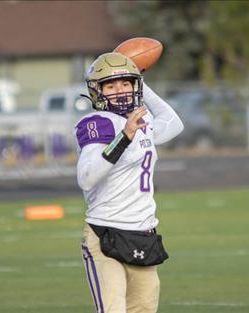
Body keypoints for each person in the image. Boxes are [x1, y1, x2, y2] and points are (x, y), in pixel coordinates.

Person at [74, 52, 184, 313]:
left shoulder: (141, 122)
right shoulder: (96, 123)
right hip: (106, 234)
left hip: (143, 234)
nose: (119, 91)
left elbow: (173, 123)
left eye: (126, 83)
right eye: (110, 85)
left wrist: (141, 82)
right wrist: (124, 136)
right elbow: (87, 178)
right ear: (97, 91)